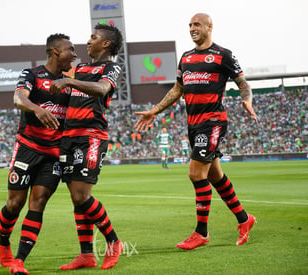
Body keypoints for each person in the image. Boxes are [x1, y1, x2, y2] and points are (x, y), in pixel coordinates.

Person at [135, 13, 258, 250]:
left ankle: (201, 233)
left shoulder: (224, 55)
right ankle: (245, 219)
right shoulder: (187, 57)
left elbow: (243, 84)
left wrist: (247, 100)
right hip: (193, 124)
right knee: (214, 176)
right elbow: (177, 89)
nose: (192, 28)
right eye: (190, 25)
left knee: (195, 173)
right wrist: (155, 111)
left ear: (209, 27)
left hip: (212, 122)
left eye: (197, 24)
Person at [0, 33, 77, 275]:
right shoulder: (32, 74)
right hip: (27, 148)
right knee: (14, 204)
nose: (74, 54)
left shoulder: (68, 82)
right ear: (56, 52)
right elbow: (18, 97)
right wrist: (36, 109)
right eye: (70, 50)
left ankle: (19, 261)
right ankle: (3, 242)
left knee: (38, 203)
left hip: (52, 155)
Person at [49, 23, 124, 270]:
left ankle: (114, 242)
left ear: (106, 44)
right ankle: (86, 255)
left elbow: (101, 89)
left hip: (90, 136)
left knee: (82, 195)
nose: (88, 41)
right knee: (76, 198)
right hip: (68, 138)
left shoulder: (111, 67)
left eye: (93, 37)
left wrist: (69, 83)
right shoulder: (79, 67)